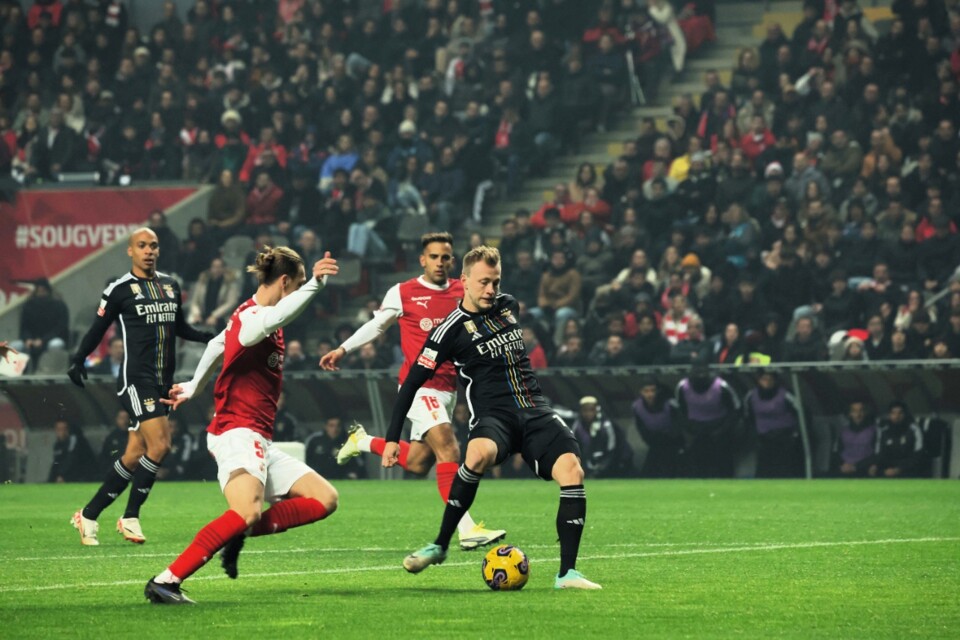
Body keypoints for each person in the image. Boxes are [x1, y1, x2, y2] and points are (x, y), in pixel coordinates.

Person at [383, 246, 601, 590]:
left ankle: (567, 574)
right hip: (494, 416)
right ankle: (440, 545)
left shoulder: (507, 306)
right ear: (464, 281)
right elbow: (410, 384)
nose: (490, 290)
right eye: (484, 283)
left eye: (495, 283)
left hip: (536, 410)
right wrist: (393, 437)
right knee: (477, 454)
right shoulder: (448, 331)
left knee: (573, 471)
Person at [144, 246, 341, 604]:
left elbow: (219, 343)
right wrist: (314, 285)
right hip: (237, 431)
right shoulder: (254, 318)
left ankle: (235, 533)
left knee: (325, 498)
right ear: (284, 283)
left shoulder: (248, 317)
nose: (297, 294)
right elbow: (252, 331)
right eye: (295, 287)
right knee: (246, 511)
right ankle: (165, 581)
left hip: (259, 437)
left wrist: (194, 385)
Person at [321, 232, 505, 551]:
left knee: (420, 463)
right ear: (423, 259)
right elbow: (377, 326)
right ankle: (466, 528)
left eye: (446, 257)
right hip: (418, 387)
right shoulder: (404, 292)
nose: (439, 262)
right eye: (433, 257)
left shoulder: (465, 291)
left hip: (448, 390)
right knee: (449, 448)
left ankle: (362, 441)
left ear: (453, 261)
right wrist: (343, 348)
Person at [68, 228, 214, 546]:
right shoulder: (119, 289)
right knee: (161, 445)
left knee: (135, 453)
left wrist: (207, 337)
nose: (149, 251)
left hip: (162, 382)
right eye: (142, 246)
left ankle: (89, 515)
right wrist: (79, 359)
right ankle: (130, 516)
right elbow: (98, 327)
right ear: (130, 251)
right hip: (136, 380)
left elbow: (179, 327)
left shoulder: (170, 285)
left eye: (154, 246)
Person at [675, 365, 741, 478]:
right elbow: (679, 410)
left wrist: (723, 429)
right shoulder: (682, 386)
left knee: (723, 468)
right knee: (697, 468)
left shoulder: (721, 385)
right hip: (695, 431)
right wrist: (690, 429)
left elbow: (736, 408)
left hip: (720, 431)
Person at [742, 372, 803, 478]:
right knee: (764, 466)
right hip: (763, 437)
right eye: (764, 379)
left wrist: (795, 433)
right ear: (759, 381)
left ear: (775, 381)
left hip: (784, 436)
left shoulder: (785, 395)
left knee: (783, 466)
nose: (767, 382)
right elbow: (747, 416)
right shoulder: (751, 396)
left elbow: (801, 413)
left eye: (770, 380)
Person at [632, 379, 684, 478]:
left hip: (673, 443)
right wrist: (652, 439)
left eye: (652, 391)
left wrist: (670, 437)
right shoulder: (637, 407)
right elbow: (641, 429)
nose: (650, 395)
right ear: (641, 392)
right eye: (646, 391)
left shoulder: (670, 403)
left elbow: (679, 424)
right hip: (654, 443)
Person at [571, 396, 633, 478]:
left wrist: (601, 468)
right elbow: (575, 449)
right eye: (585, 410)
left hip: (612, 460)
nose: (588, 413)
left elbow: (612, 449)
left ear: (596, 410)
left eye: (591, 410)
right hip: (589, 461)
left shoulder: (606, 425)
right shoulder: (577, 427)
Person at [868, 401, 927, 478]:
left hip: (908, 470)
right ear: (889, 415)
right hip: (887, 470)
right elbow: (878, 452)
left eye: (900, 413)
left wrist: (899, 469)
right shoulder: (883, 430)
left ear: (905, 414)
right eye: (893, 413)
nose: (897, 416)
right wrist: (874, 465)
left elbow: (918, 455)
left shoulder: (914, 429)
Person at [833, 400, 877, 477]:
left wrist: (856, 466)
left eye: (861, 411)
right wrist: (844, 464)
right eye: (854, 411)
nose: (858, 414)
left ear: (866, 412)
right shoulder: (843, 431)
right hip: (844, 469)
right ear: (849, 414)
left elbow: (877, 454)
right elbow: (836, 452)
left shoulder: (874, 431)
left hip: (864, 469)